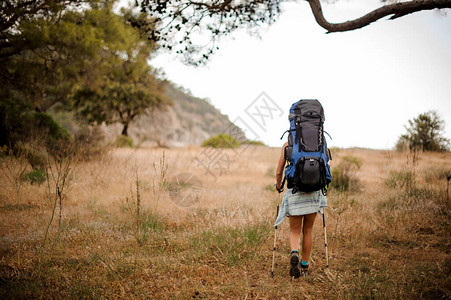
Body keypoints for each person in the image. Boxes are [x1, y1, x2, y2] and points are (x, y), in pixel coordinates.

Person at [275, 142, 327, 278]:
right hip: (314, 191)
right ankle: (304, 266)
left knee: (294, 230)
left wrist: (279, 185)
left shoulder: (288, 144)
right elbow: (326, 169)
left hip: (295, 190)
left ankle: (294, 252)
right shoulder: (319, 142)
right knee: (308, 230)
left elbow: (279, 170)